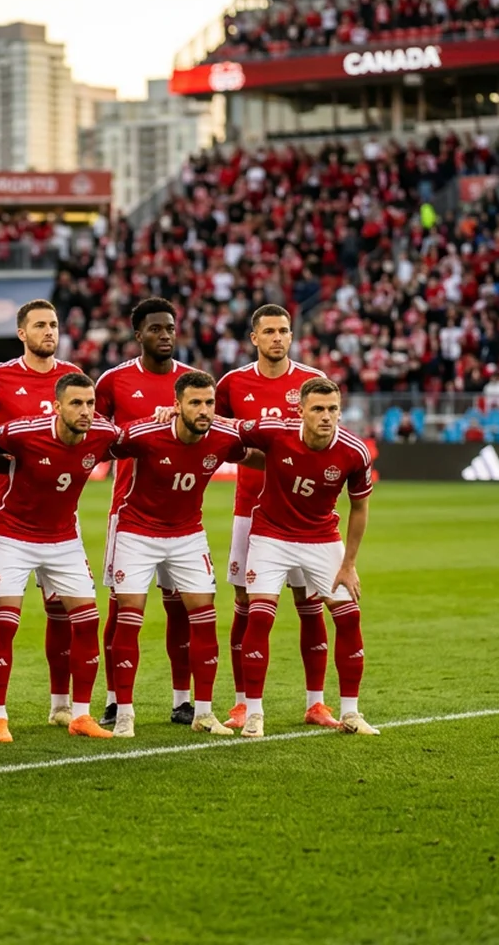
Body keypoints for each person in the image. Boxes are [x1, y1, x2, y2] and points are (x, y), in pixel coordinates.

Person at [107, 370, 251, 738]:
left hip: (188, 536)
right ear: (176, 406)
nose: (204, 410)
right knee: (129, 618)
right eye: (195, 403)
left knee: (204, 617)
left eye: (209, 403)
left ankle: (203, 712)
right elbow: (102, 443)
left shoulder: (222, 436)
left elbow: (263, 447)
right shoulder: (146, 434)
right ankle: (124, 712)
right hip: (136, 533)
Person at [214, 304, 337, 730]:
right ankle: (242, 703)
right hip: (251, 513)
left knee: (311, 606)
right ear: (254, 338)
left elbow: (327, 442)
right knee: (246, 607)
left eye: (284, 331)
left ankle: (317, 703)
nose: (278, 338)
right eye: (269, 331)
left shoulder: (311, 383)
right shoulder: (232, 384)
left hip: (305, 517)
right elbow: (221, 436)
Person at [0, 372, 121, 743]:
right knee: (6, 623)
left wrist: (163, 417)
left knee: (87, 621)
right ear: (56, 406)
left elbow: (133, 438)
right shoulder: (23, 432)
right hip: (12, 535)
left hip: (63, 538)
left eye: (90, 403)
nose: (86, 410)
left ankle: (80, 715)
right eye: (76, 403)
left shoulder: (103, 434)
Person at [236, 377, 377, 737]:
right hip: (271, 535)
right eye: (317, 409)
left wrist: (349, 564)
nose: (326, 416)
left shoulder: (355, 452)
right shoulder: (275, 432)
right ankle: (254, 712)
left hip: (322, 538)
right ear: (300, 412)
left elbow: (359, 508)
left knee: (348, 617)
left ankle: (350, 712)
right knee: (261, 616)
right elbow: (226, 429)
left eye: (332, 409)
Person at [0, 299, 85, 729]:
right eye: (40, 325)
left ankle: (61, 705)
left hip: (61, 521)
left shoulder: (72, 379)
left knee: (63, 613)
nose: (49, 332)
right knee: (2, 616)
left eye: (54, 325)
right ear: (22, 333)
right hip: (11, 516)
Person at [94, 297, 199, 728]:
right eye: (156, 328)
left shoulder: (192, 383)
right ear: (139, 335)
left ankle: (182, 698)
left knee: (181, 609)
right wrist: (140, 430)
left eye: (170, 328)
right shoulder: (115, 381)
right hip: (130, 513)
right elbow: (95, 434)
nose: (165, 335)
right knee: (121, 610)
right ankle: (116, 698)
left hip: (181, 517)